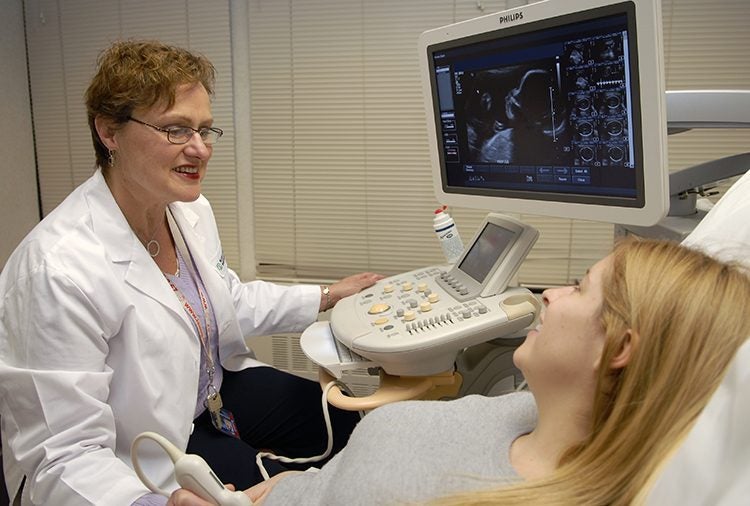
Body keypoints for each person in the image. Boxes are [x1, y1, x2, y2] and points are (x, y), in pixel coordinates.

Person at [0, 40, 382, 505]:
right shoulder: (56, 271)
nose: (200, 149)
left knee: (349, 426)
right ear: (109, 132)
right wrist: (157, 503)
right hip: (142, 444)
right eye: (176, 130)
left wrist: (327, 295)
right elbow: (62, 457)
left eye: (204, 129)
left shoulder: (190, 211)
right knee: (262, 493)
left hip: (212, 393)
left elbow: (227, 301)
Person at [168, 238, 750, 505]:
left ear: (619, 346)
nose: (550, 294)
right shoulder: (530, 410)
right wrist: (276, 491)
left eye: (578, 286)